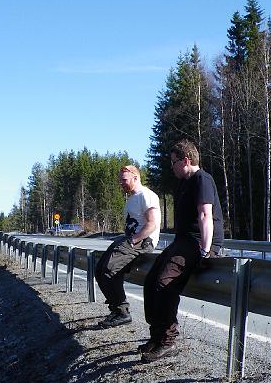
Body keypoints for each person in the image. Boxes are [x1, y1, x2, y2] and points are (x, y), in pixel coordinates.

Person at [141, 139, 224, 362]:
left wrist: (206, 250)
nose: (172, 166)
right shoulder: (185, 183)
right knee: (150, 282)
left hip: (197, 242)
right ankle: (157, 336)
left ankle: (167, 342)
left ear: (186, 160)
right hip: (183, 241)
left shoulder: (202, 179)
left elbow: (206, 215)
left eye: (174, 162)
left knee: (164, 283)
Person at [95, 165, 161, 327]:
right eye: (120, 181)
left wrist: (134, 240)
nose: (121, 184)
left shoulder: (146, 195)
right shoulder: (132, 198)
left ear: (135, 178)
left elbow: (153, 223)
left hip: (142, 241)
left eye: (124, 180)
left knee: (110, 268)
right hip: (130, 239)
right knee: (99, 269)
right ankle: (117, 311)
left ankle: (122, 312)